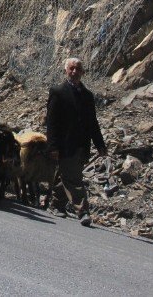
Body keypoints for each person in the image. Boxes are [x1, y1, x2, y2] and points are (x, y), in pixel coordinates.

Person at [46, 57, 107, 226]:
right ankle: (83, 211)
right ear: (66, 70)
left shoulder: (87, 96)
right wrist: (52, 146)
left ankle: (56, 204)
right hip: (65, 145)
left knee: (67, 175)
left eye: (78, 69)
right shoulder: (58, 92)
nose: (74, 72)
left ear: (83, 72)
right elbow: (51, 122)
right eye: (71, 68)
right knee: (74, 179)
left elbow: (92, 122)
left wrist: (100, 145)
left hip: (81, 145)